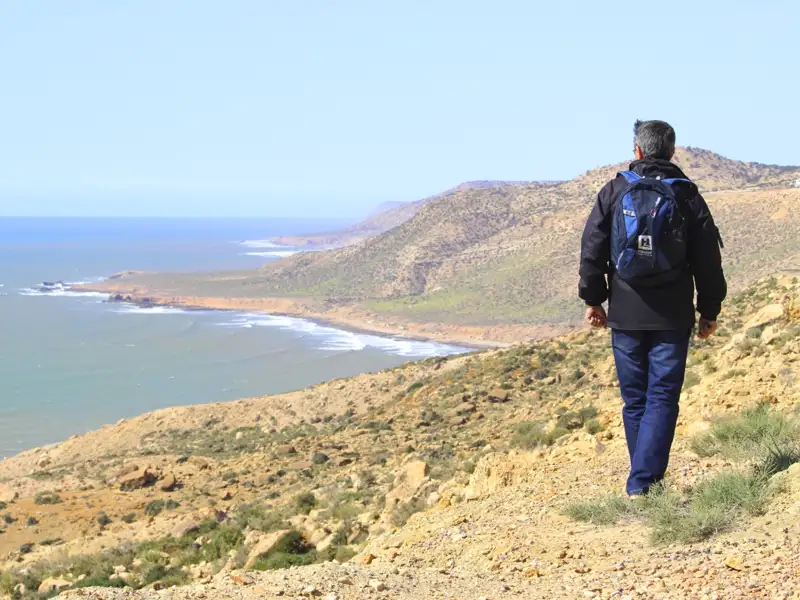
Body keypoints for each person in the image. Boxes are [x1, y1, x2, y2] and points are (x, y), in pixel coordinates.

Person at [578, 120, 727, 496]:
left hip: (626, 312)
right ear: (672, 152)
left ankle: (643, 483)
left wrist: (593, 299)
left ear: (638, 151)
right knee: (661, 396)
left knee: (635, 399)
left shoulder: (614, 190)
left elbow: (592, 249)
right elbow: (708, 258)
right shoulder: (687, 194)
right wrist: (709, 309)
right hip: (673, 313)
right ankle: (644, 484)